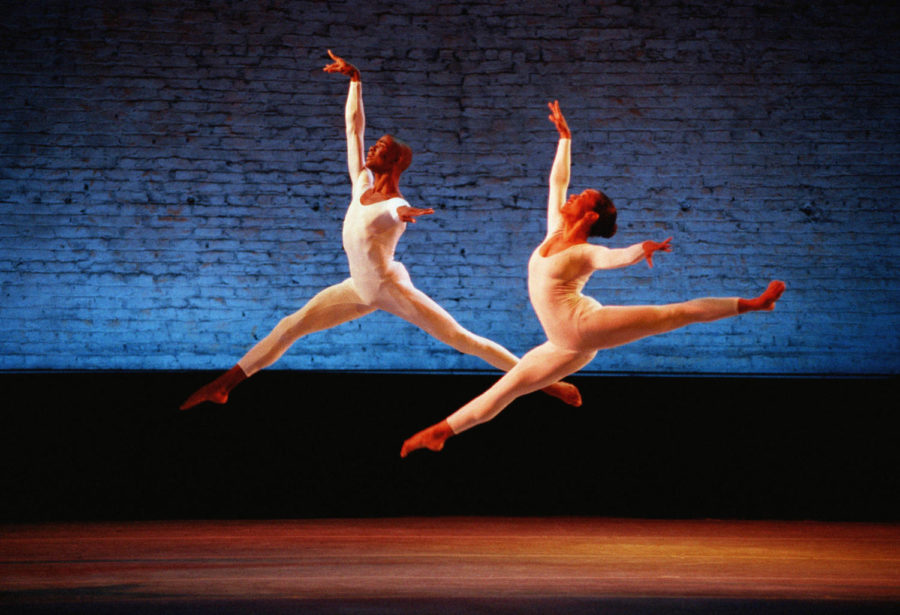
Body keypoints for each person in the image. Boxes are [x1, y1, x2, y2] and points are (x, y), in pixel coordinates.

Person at [180, 54, 580, 410]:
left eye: (381, 148)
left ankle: (549, 385)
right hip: (358, 287)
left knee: (463, 339)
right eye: (374, 145)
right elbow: (353, 130)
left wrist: (407, 212)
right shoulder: (361, 184)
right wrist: (355, 81)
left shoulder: (391, 203)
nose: (371, 149)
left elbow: (395, 209)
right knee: (290, 325)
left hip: (388, 288)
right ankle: (225, 385)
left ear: (396, 161)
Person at [400, 101, 785, 457]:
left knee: (671, 314)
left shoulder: (584, 252)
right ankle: (442, 433)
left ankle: (754, 303)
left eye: (581, 198)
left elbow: (610, 257)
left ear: (589, 218)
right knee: (508, 386)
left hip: (584, 327)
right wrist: (565, 139)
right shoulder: (555, 231)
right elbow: (557, 184)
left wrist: (641, 249)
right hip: (562, 343)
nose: (571, 198)